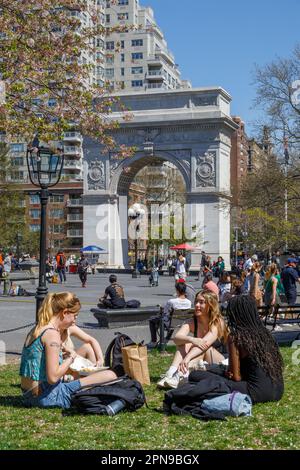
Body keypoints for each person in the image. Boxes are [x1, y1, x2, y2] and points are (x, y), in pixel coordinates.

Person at [20, 292, 118, 409]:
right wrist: (72, 357)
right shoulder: (52, 334)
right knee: (111, 375)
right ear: (65, 313)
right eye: (74, 315)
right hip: (47, 396)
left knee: (98, 378)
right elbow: (53, 378)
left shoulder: (37, 329)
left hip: (28, 395)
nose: (74, 321)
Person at [190, 296, 284, 404]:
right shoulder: (266, 334)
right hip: (277, 391)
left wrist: (228, 374)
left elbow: (236, 377)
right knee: (216, 371)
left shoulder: (237, 336)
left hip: (255, 392)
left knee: (195, 375)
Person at [157, 290, 227, 389]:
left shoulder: (218, 321)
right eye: (196, 302)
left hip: (221, 361)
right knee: (186, 343)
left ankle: (180, 374)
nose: (197, 305)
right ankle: (171, 373)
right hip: (202, 359)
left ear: (211, 305)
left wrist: (187, 358)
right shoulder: (192, 321)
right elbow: (177, 339)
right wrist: (192, 339)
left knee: (201, 345)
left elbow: (205, 343)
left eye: (202, 302)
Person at [147, 282, 192, 349]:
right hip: (182, 323)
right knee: (173, 319)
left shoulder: (171, 301)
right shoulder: (189, 302)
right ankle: (167, 338)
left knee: (152, 320)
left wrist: (161, 308)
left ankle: (153, 341)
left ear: (177, 290)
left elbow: (165, 312)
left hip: (170, 323)